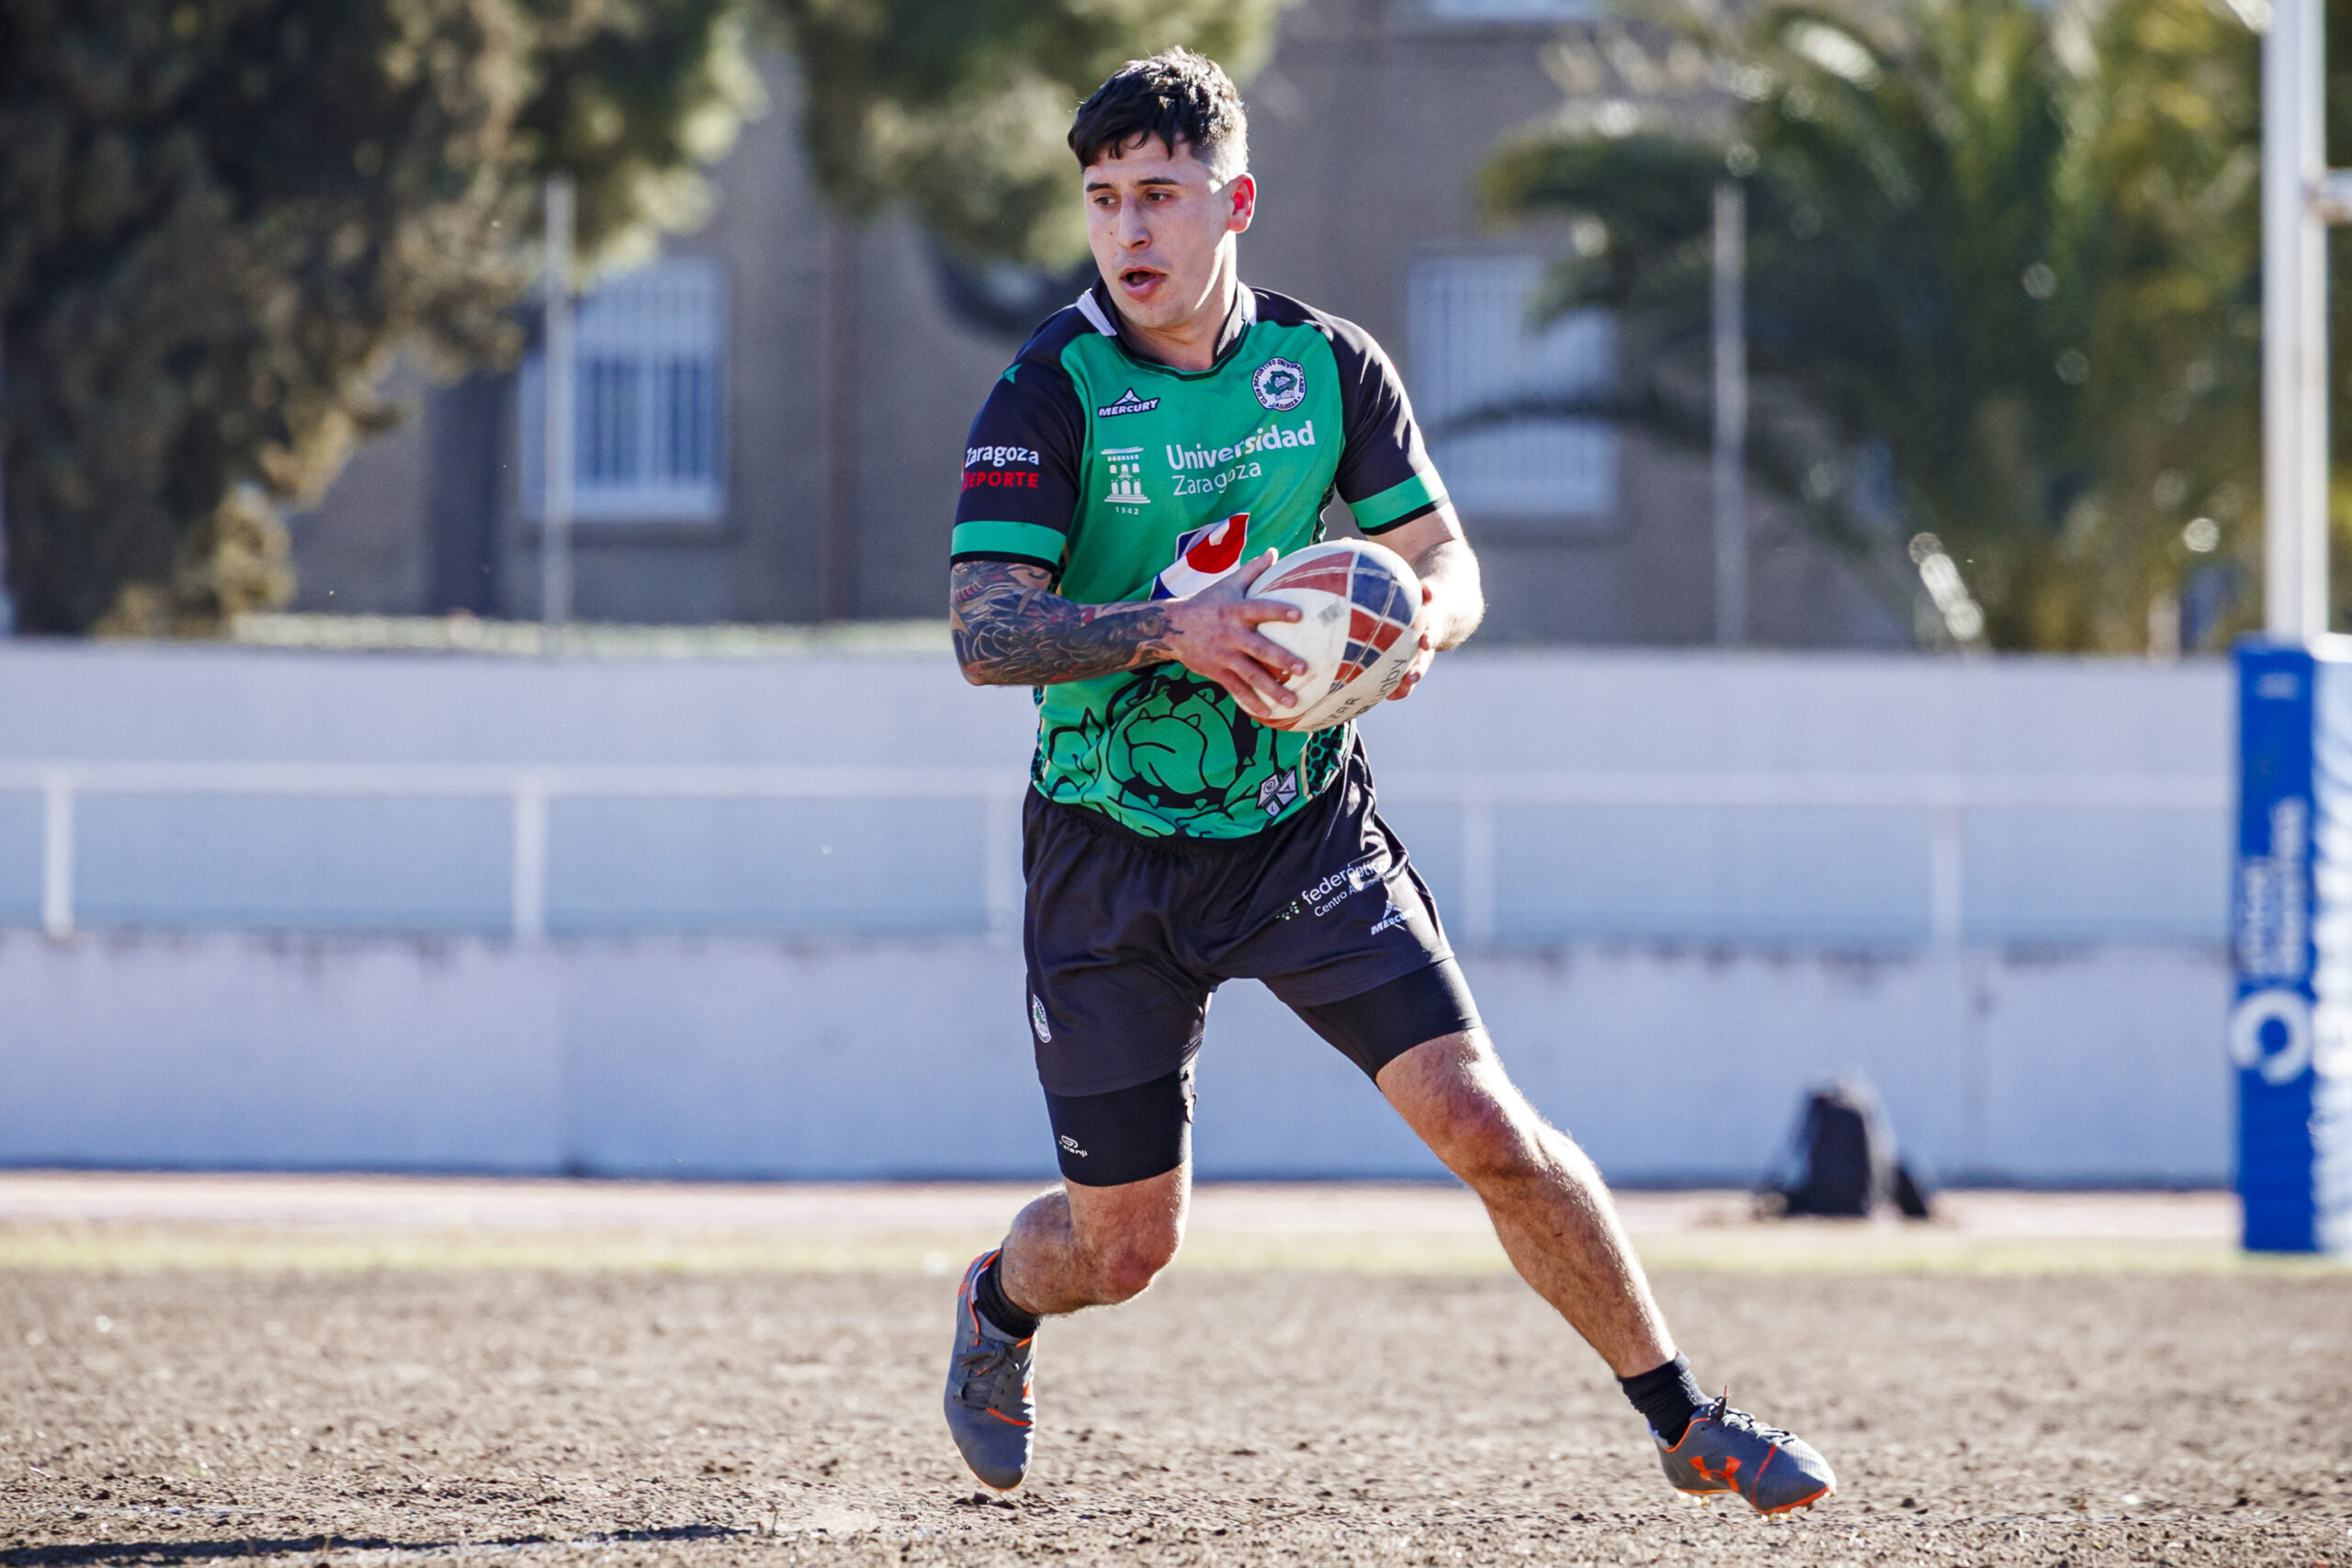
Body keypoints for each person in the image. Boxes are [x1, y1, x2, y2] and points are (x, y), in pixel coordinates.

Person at [940, 48, 1835, 1517]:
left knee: (1486, 1124)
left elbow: (1445, 556)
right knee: (1125, 1250)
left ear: (1235, 200)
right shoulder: (1050, 389)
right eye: (1104, 201)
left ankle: (1685, 1416)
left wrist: (1425, 623)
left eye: (1160, 196)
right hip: (1107, 852)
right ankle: (999, 1306)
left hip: (1302, 835)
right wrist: (1179, 627)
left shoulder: (1327, 366)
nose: (1130, 234)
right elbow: (985, 633)